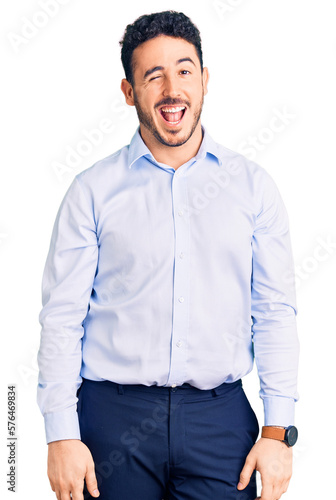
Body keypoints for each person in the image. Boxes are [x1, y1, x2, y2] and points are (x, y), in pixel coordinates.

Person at [37, 10, 300, 500]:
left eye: (183, 70)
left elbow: (274, 312)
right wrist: (60, 432)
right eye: (152, 75)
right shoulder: (91, 192)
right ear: (129, 91)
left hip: (220, 423)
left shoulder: (252, 188)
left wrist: (279, 431)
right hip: (110, 420)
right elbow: (61, 317)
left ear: (204, 80)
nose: (171, 89)